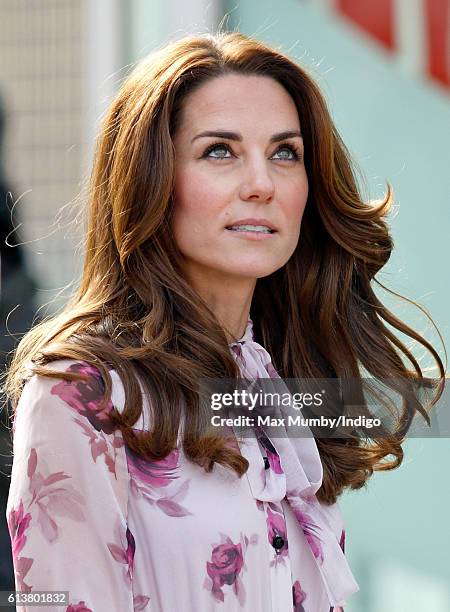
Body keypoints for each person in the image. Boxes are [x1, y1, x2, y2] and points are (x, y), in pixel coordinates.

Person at [4, 31, 445, 612]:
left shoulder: (273, 384)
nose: (262, 184)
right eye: (220, 151)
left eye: (285, 152)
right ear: (150, 180)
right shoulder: (79, 388)